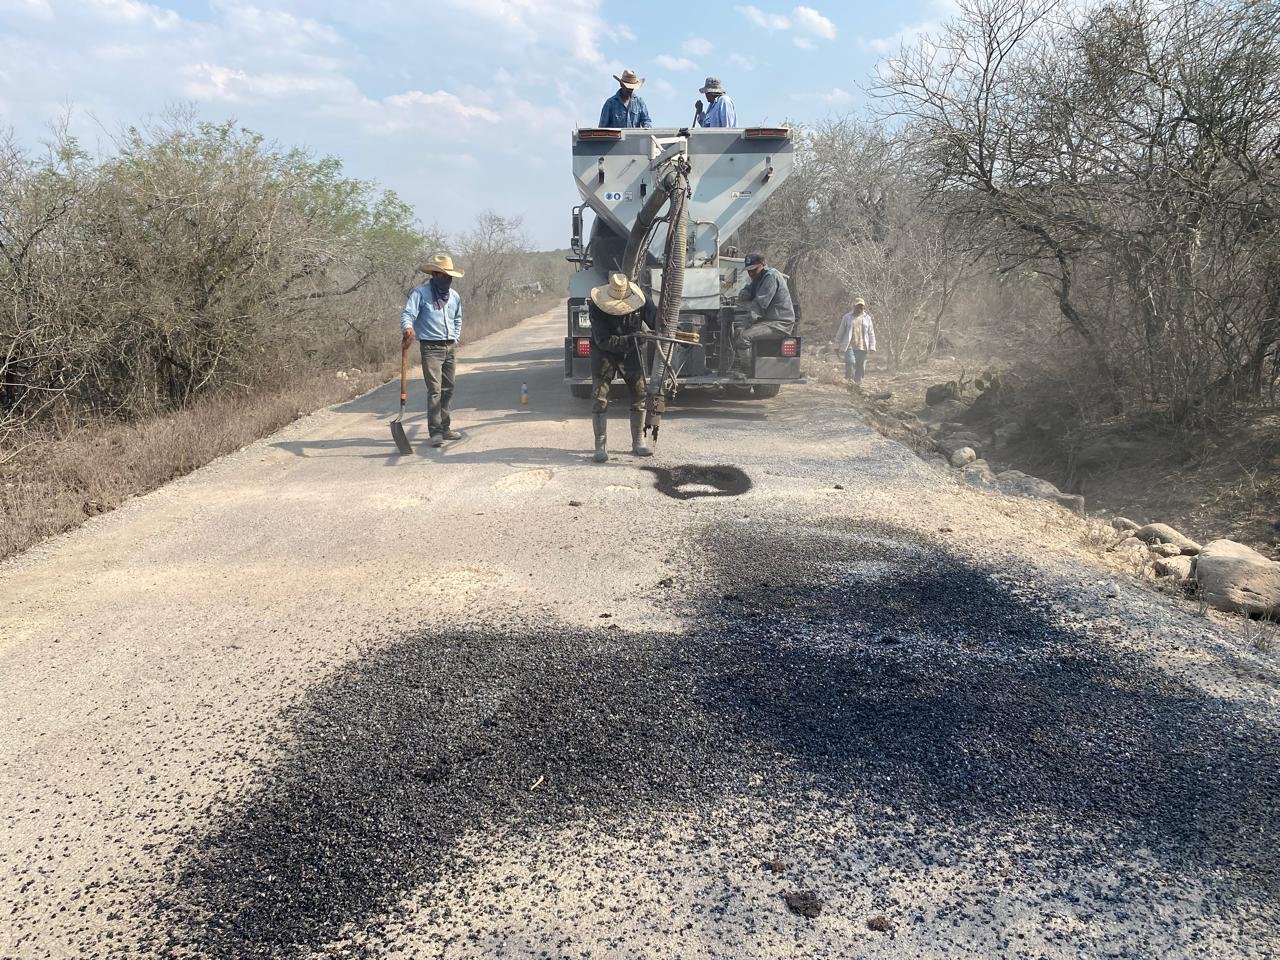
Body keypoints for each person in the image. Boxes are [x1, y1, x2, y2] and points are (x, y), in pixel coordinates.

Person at [400, 254, 465, 447]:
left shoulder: (454, 296)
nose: (448, 280)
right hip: (431, 348)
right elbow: (408, 313)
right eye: (444, 276)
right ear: (435, 275)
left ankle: (445, 428)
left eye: (450, 277)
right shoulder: (420, 293)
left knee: (448, 389)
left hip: (449, 346)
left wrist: (456, 338)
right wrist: (408, 327)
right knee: (435, 390)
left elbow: (458, 318)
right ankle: (435, 431)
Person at [588, 272, 653, 462]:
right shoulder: (597, 307)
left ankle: (638, 442)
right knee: (600, 398)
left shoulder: (641, 300)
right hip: (604, 353)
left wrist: (668, 328)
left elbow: (655, 319)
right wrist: (632, 338)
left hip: (630, 352)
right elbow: (603, 340)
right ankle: (600, 446)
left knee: (640, 394)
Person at [732, 253, 795, 376]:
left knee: (744, 337)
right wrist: (745, 293)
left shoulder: (770, 276)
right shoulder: (758, 278)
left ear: (762, 265)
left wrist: (746, 323)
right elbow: (747, 291)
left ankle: (747, 371)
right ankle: (742, 365)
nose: (751, 274)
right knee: (738, 332)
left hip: (779, 324)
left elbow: (759, 305)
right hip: (769, 322)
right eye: (749, 271)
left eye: (753, 270)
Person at [833, 297, 877, 387]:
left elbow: (871, 333)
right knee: (851, 363)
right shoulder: (847, 317)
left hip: (862, 346)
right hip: (849, 346)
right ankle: (849, 382)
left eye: (862, 307)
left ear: (864, 308)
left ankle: (857, 386)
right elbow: (841, 331)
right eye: (858, 307)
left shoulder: (867, 318)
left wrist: (872, 346)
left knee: (861, 367)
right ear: (854, 307)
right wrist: (837, 345)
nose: (860, 309)